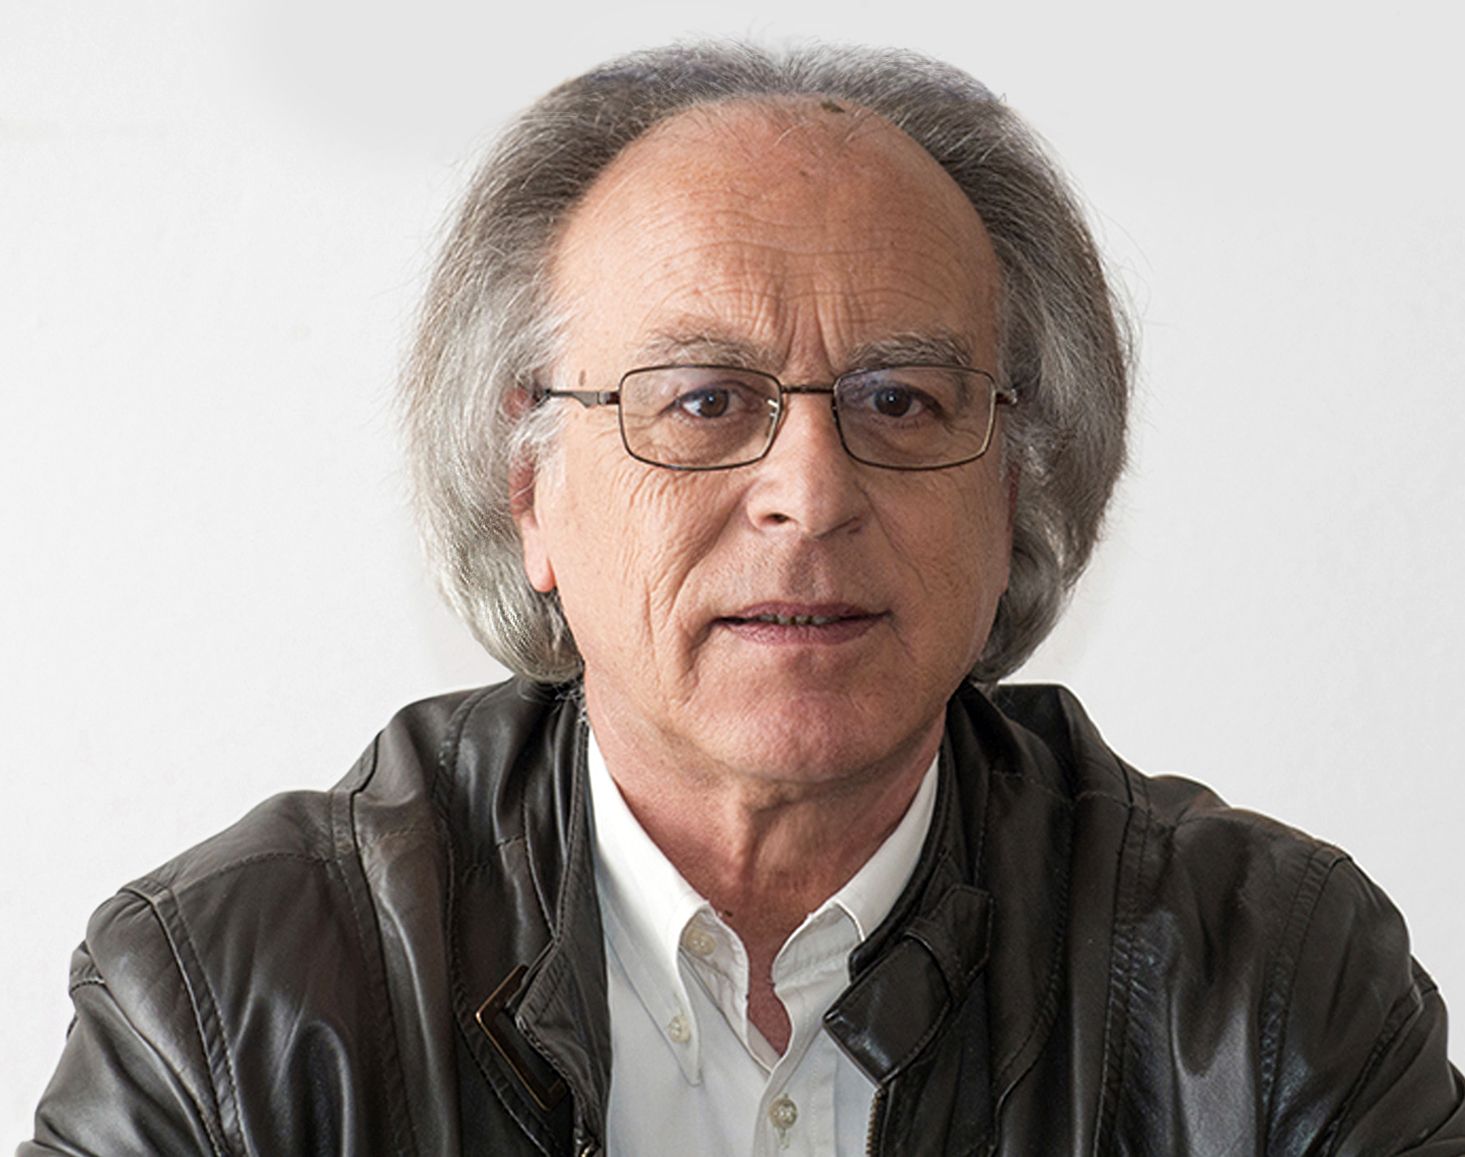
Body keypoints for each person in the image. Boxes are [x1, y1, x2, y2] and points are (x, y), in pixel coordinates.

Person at [23, 41, 1465, 1156]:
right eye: (704, 400)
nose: (809, 491)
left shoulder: (1270, 993)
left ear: (1016, 491)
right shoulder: (232, 1004)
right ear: (530, 490)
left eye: (900, 399)